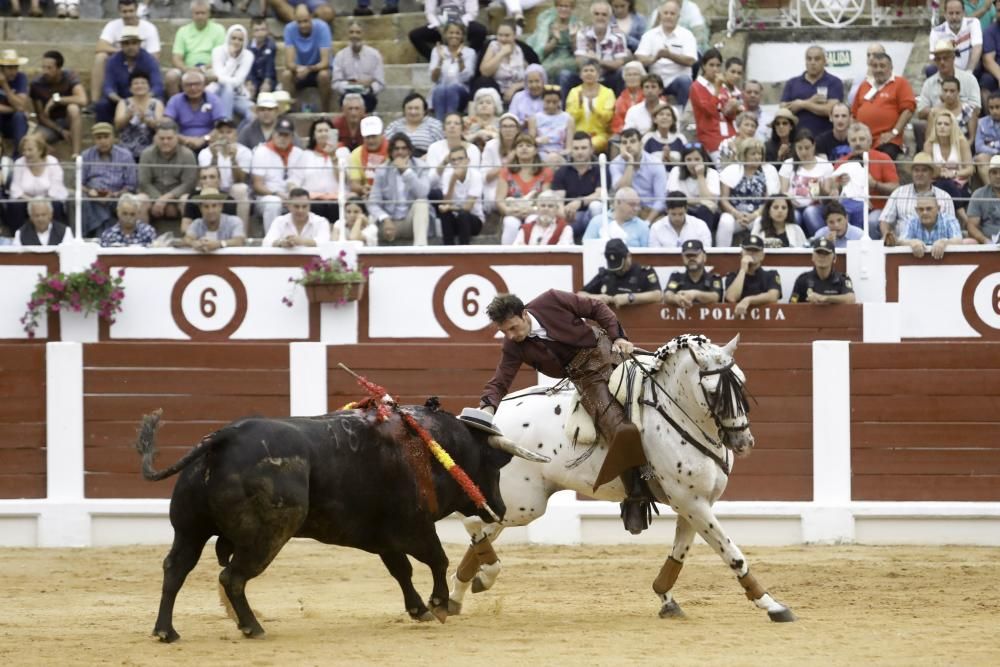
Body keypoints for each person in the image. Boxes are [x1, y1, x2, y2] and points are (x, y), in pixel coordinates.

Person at [479, 290, 653, 534]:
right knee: (619, 428)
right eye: (505, 331)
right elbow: (501, 381)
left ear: (525, 314)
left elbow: (596, 308)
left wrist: (618, 337)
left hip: (609, 348)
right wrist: (486, 410)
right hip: (587, 378)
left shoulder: (552, 300)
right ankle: (636, 495)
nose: (511, 335)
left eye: (514, 328)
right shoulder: (513, 346)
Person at [829, 122, 898, 236]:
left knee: (871, 221)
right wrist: (839, 187)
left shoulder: (883, 158)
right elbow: (834, 190)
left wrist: (875, 184)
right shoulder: (841, 162)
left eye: (862, 139)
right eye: (853, 140)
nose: (858, 143)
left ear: (870, 141)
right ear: (849, 142)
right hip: (849, 208)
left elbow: (895, 188)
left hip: (878, 209)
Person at [91, 0, 161, 107]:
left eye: (131, 11)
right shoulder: (112, 25)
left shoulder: (149, 28)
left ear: (137, 9)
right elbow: (100, 47)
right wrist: (123, 52)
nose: (128, 15)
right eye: (124, 11)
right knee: (100, 57)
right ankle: (94, 102)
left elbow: (155, 57)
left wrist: (142, 99)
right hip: (119, 67)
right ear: (119, 11)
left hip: (142, 70)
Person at [368, 133, 431, 245]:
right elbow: (372, 203)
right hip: (388, 222)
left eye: (404, 148)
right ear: (391, 152)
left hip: (410, 222)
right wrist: (385, 219)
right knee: (370, 218)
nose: (400, 152)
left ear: (410, 151)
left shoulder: (421, 166)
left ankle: (420, 251)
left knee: (422, 203)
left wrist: (406, 171)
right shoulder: (382, 170)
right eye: (396, 149)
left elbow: (423, 193)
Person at [851, 53, 916, 160]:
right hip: (863, 142)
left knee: (882, 160)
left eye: (882, 66)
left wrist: (894, 132)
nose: (878, 69)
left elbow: (908, 110)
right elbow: (854, 114)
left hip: (887, 141)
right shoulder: (864, 85)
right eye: (875, 66)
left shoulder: (900, 83)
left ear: (891, 68)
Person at [717, 138, 781, 247]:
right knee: (725, 221)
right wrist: (736, 214)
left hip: (757, 214)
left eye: (759, 154)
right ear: (744, 155)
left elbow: (769, 201)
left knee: (760, 222)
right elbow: (724, 200)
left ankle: (756, 254)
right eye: (753, 154)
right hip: (735, 215)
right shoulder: (731, 170)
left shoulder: (769, 170)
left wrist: (754, 215)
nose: (757, 157)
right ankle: (721, 255)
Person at [634, 0, 696, 109]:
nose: (668, 16)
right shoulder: (650, 35)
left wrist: (670, 55)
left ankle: (683, 119)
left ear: (678, 16)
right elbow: (640, 58)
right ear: (660, 15)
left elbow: (691, 60)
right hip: (656, 80)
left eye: (672, 14)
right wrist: (655, 58)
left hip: (677, 80)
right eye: (666, 13)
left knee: (685, 81)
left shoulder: (687, 35)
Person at [880, 152, 955, 242]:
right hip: (902, 246)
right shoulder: (898, 193)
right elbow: (885, 220)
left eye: (924, 170)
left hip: (935, 248)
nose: (919, 174)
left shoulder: (944, 197)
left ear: (931, 174)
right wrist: (887, 235)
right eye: (916, 170)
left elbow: (951, 227)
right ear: (912, 173)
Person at [81, 122, 138, 238]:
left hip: (117, 196)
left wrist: (115, 194)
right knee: (82, 199)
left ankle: (97, 234)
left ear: (113, 138)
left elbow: (131, 185)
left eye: (106, 137)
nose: (103, 141)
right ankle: (102, 234)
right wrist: (89, 192)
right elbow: (79, 183)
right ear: (94, 140)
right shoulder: (86, 155)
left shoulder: (125, 155)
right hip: (92, 196)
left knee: (123, 202)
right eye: (99, 138)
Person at [97, 27, 164, 125]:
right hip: (120, 99)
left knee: (159, 101)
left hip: (145, 98)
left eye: (134, 43)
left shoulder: (150, 60)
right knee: (102, 105)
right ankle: (108, 134)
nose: (130, 46)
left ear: (139, 44)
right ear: (121, 45)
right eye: (126, 43)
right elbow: (108, 87)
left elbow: (157, 86)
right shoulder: (113, 61)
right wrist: (123, 102)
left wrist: (141, 99)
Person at [251, 116, 307, 232]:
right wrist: (278, 194)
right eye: (280, 134)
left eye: (286, 135)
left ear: (292, 137)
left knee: (303, 201)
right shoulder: (261, 151)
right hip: (267, 196)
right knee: (273, 202)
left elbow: (297, 180)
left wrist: (292, 196)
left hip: (291, 196)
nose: (283, 138)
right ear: (273, 134)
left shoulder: (299, 153)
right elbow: (257, 185)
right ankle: (272, 241)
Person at [139, 119, 199, 226]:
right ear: (155, 138)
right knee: (140, 199)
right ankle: (142, 238)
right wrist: (159, 200)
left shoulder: (187, 155)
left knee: (186, 200)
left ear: (177, 138)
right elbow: (144, 183)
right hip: (153, 196)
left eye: (169, 138)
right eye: (161, 138)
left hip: (177, 198)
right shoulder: (146, 154)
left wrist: (166, 199)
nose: (165, 142)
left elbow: (188, 184)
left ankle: (188, 238)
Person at [5, 134, 69, 234]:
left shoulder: (52, 161)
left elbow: (55, 189)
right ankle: (16, 235)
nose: (26, 153)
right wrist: (32, 201)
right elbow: (15, 190)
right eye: (24, 150)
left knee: (56, 205)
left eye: (30, 150)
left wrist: (41, 203)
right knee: (15, 205)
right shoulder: (19, 163)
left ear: (40, 150)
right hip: (26, 199)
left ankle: (58, 235)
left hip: (49, 198)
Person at [497, 133, 553, 244]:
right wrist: (509, 211)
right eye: (520, 145)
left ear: (536, 150)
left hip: (536, 212)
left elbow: (547, 199)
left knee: (532, 220)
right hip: (512, 211)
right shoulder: (506, 171)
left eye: (528, 145)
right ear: (515, 150)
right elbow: (499, 200)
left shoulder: (546, 171)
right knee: (511, 223)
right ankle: (506, 258)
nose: (524, 148)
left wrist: (534, 210)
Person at [30, 51, 87, 158]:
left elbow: (82, 99)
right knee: (33, 140)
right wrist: (60, 130)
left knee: (73, 108)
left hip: (68, 120)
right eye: (43, 67)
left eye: (49, 68)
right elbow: (41, 116)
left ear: (59, 68)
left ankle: (76, 155)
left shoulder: (69, 77)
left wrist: (57, 100)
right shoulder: (37, 84)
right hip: (50, 125)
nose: (45, 71)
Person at [166, 0, 227, 98]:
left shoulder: (219, 30)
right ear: (192, 14)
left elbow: (220, 57)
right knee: (171, 76)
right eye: (197, 13)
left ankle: (209, 106)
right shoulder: (183, 31)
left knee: (215, 76)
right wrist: (186, 69)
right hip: (187, 68)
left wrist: (203, 69)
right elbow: (176, 58)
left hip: (209, 68)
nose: (200, 16)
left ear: (209, 14)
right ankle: (176, 107)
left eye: (203, 13)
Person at [779, 46, 844, 137]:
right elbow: (783, 109)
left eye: (817, 59)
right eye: (809, 59)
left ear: (824, 61)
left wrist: (802, 104)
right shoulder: (792, 83)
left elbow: (830, 110)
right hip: (797, 140)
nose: (812, 62)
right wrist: (811, 101)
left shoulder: (834, 82)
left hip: (825, 139)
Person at [551, 131, 605, 241]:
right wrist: (564, 214)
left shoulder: (600, 169)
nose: (580, 152)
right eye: (576, 148)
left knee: (596, 206)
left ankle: (596, 245)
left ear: (591, 150)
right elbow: (558, 199)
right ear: (571, 151)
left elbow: (599, 194)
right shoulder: (562, 171)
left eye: (584, 148)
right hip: (569, 217)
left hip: (590, 215)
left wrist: (579, 202)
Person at [580, 237, 662, 307]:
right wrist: (596, 298)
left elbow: (657, 295)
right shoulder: (605, 274)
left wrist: (630, 298)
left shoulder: (644, 272)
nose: (618, 271)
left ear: (628, 256)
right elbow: (580, 295)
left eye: (621, 267)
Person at [280, 4, 332, 112]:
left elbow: (325, 62)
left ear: (312, 17)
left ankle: (325, 111)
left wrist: (308, 69)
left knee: (324, 75)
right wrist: (298, 69)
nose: (303, 25)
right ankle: (288, 111)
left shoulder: (322, 27)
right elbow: (289, 63)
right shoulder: (289, 29)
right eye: (299, 22)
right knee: (286, 75)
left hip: (316, 70)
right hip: (299, 71)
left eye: (306, 21)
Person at [608, 128, 667, 223]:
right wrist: (630, 163)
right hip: (625, 210)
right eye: (624, 142)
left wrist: (648, 221)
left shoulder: (655, 163)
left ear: (641, 144)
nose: (628, 145)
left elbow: (661, 200)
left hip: (650, 211)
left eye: (632, 141)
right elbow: (622, 190)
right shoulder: (615, 164)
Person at [780, 129, 832, 235]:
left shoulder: (825, 165)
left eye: (807, 148)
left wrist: (821, 190)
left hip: (817, 207)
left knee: (810, 212)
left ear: (814, 146)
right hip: (793, 206)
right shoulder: (788, 164)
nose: (803, 152)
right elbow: (782, 192)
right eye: (800, 148)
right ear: (795, 147)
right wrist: (788, 199)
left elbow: (828, 198)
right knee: (794, 216)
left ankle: (821, 241)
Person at [526, 0, 583, 97]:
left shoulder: (577, 25)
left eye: (566, 6)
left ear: (572, 8)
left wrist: (573, 38)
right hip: (552, 56)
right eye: (560, 6)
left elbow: (579, 52)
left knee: (560, 69)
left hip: (569, 57)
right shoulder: (548, 24)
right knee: (542, 70)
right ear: (556, 7)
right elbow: (543, 51)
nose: (563, 9)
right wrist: (555, 40)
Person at [689, 49, 740, 158]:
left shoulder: (723, 86)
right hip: (711, 138)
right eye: (711, 65)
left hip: (730, 135)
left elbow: (729, 115)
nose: (715, 69)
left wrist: (733, 108)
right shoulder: (697, 86)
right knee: (726, 169)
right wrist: (717, 89)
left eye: (718, 65)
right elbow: (710, 111)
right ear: (703, 66)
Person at [574, 2, 630, 95]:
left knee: (621, 73)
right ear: (591, 16)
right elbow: (578, 60)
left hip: (609, 75)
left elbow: (619, 63)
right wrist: (589, 69)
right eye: (596, 14)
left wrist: (598, 61)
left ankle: (619, 107)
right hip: (587, 75)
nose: (600, 17)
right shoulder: (583, 33)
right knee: (565, 75)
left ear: (609, 17)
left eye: (604, 14)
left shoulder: (618, 35)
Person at [165, 69, 226, 153]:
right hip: (181, 143)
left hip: (210, 142)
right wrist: (184, 139)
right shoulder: (175, 100)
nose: (193, 88)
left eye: (197, 84)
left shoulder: (214, 100)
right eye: (189, 85)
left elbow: (221, 126)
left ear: (204, 85)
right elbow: (166, 124)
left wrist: (204, 139)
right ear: (182, 87)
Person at [435, 144, 484, 245]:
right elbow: (445, 203)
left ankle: (464, 251)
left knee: (463, 215)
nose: (457, 162)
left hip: (474, 220)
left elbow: (467, 207)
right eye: (453, 160)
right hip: (455, 219)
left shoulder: (476, 176)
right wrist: (453, 180)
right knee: (445, 214)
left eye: (460, 159)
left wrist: (449, 208)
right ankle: (448, 250)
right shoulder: (448, 175)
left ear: (467, 160)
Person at [408, 0, 488, 61]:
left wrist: (458, 24)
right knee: (415, 35)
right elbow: (430, 12)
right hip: (440, 24)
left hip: (462, 22)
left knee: (480, 31)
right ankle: (436, 60)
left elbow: (472, 12)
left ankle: (467, 59)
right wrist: (438, 26)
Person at [332, 21, 385, 113]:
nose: (354, 35)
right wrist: (350, 85)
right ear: (347, 34)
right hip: (347, 94)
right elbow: (335, 83)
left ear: (363, 34)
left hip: (367, 94)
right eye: (351, 32)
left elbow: (380, 83)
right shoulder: (340, 56)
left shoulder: (374, 55)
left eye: (358, 32)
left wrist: (369, 87)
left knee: (370, 101)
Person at [429, 22, 477, 121]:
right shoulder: (438, 51)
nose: (454, 36)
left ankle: (450, 120)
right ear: (445, 35)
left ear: (462, 36)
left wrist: (460, 59)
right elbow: (434, 78)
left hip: (461, 92)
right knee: (439, 88)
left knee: (452, 88)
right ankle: (440, 124)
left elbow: (466, 78)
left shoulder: (470, 52)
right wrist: (440, 61)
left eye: (457, 33)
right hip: (441, 92)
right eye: (451, 33)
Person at [300, 117, 344, 225]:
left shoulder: (343, 152)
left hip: (336, 199)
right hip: (313, 200)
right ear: (313, 135)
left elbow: (343, 180)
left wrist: (333, 157)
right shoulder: (305, 155)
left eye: (326, 130)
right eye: (319, 131)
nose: (323, 134)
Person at [667, 142, 720, 231]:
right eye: (689, 159)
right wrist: (701, 201)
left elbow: (710, 201)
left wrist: (700, 176)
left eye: (697, 159)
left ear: (704, 160)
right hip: (683, 211)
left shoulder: (713, 173)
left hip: (707, 214)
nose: (693, 163)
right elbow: (674, 199)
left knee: (704, 210)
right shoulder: (676, 171)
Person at [724, 234, 782, 316]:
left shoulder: (771, 275)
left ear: (762, 256)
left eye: (756, 251)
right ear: (741, 254)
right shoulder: (732, 276)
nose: (751, 254)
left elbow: (773, 296)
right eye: (748, 250)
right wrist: (743, 270)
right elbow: (731, 298)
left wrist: (748, 300)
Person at [114, 71, 165, 162]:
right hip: (126, 147)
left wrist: (146, 119)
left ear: (149, 86)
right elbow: (117, 126)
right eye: (136, 83)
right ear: (130, 88)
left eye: (143, 83)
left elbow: (160, 127)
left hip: (150, 147)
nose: (139, 86)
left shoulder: (156, 103)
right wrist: (128, 115)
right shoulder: (123, 103)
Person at [789, 238, 856, 304]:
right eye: (819, 253)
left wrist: (824, 298)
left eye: (826, 253)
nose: (822, 257)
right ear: (813, 257)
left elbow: (851, 299)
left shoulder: (842, 279)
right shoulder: (802, 280)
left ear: (834, 258)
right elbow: (791, 305)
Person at [895, 195, 965, 258]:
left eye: (929, 209)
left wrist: (944, 242)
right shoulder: (911, 221)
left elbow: (958, 240)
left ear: (938, 208)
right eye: (921, 209)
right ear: (916, 210)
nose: (925, 212)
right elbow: (901, 240)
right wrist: (912, 242)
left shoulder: (949, 220)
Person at [210, 25, 254, 123]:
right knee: (228, 87)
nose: (236, 42)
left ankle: (240, 135)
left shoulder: (248, 55)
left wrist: (220, 79)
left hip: (237, 95)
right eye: (233, 38)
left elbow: (238, 81)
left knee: (253, 112)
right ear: (228, 38)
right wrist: (232, 59)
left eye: (240, 39)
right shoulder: (217, 51)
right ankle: (225, 124)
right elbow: (218, 76)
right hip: (216, 92)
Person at [479, 21, 530, 105]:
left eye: (507, 35)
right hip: (495, 91)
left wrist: (514, 87)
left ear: (514, 35)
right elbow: (484, 72)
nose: (503, 39)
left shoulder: (520, 50)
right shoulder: (493, 46)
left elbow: (529, 77)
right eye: (500, 35)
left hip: (516, 91)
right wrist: (501, 54)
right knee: (482, 82)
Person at [262, 187, 332, 248]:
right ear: (288, 206)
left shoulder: (321, 221)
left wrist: (302, 241)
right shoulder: (279, 221)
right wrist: (281, 243)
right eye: (296, 206)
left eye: (304, 206)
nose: (300, 210)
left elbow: (325, 243)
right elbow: (266, 243)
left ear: (309, 206)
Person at [662, 239, 724, 307]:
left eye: (695, 255)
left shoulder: (714, 278)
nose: (691, 259)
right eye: (687, 256)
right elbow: (667, 295)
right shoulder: (676, 277)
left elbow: (715, 297)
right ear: (682, 258)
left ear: (704, 257)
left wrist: (695, 294)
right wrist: (677, 298)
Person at [482, 113, 522, 215]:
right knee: (493, 198)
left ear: (517, 129)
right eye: (504, 126)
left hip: (519, 186)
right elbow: (485, 178)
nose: (508, 129)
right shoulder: (491, 146)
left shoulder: (524, 145)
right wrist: (506, 163)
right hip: (494, 186)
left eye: (511, 126)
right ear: (499, 129)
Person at [582, 186, 648, 246]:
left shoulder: (642, 226)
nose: (636, 209)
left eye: (638, 205)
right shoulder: (597, 221)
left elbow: (647, 255)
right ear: (618, 202)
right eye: (632, 204)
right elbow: (586, 247)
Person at [384, 93, 444, 158]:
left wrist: (428, 156)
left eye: (417, 108)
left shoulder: (435, 125)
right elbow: (386, 147)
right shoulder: (394, 126)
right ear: (404, 110)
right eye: (410, 108)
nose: (413, 112)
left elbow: (442, 148)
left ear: (424, 110)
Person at [929, 0, 983, 73]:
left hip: (971, 69)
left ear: (963, 13)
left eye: (957, 13)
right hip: (948, 72)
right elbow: (933, 58)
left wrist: (969, 71)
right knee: (930, 69)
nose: (954, 17)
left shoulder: (973, 23)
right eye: (951, 13)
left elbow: (977, 48)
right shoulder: (936, 32)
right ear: (945, 14)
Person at [648, 191, 713, 248]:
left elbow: (706, 252)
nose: (677, 218)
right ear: (667, 210)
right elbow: (655, 256)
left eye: (681, 214)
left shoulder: (700, 226)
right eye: (673, 214)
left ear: (686, 209)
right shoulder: (656, 228)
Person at [347, 115, 389, 198]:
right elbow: (354, 184)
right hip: (365, 194)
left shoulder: (392, 151)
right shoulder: (356, 153)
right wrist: (362, 189)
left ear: (382, 134)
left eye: (374, 136)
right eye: (367, 137)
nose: (371, 140)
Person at [529, 88, 574, 165]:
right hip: (540, 154)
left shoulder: (568, 119)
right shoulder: (534, 118)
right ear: (543, 101)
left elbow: (569, 148)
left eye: (555, 102)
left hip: (560, 154)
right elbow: (530, 143)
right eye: (548, 102)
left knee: (553, 159)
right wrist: (537, 141)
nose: (551, 105)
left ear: (560, 102)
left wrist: (556, 154)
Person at [0, 49, 31, 153]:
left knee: (19, 116)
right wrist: (16, 109)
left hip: (13, 123)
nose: (13, 71)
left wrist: (5, 85)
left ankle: (18, 156)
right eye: (9, 68)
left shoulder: (21, 78)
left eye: (16, 67)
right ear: (1, 68)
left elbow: (21, 106)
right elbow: (19, 108)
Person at [968, 154, 1000, 243]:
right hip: (987, 244)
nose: (998, 176)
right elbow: (971, 226)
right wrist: (985, 240)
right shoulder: (979, 195)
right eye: (994, 172)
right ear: (989, 175)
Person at [611, 61, 646, 137]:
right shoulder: (620, 100)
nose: (632, 77)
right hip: (626, 134)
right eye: (629, 75)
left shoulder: (648, 95)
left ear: (642, 77)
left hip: (646, 132)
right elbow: (617, 123)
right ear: (624, 78)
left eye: (635, 74)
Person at [246, 16, 277, 102]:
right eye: (257, 30)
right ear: (252, 32)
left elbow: (269, 66)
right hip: (254, 78)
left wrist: (267, 81)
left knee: (266, 91)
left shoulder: (271, 45)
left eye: (263, 29)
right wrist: (249, 82)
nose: (260, 33)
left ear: (267, 31)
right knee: (249, 90)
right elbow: (248, 67)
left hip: (268, 78)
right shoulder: (248, 48)